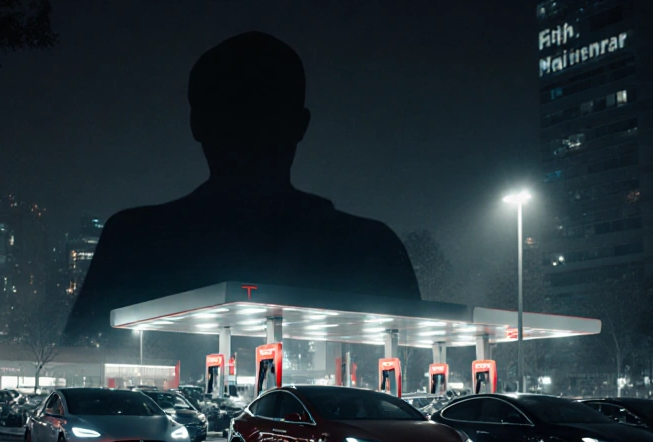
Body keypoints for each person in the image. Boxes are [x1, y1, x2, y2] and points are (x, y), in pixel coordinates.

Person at [67, 32, 420, 344]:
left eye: (260, 112)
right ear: (300, 125)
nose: (249, 133)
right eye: (239, 112)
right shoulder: (373, 248)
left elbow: (76, 351)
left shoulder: (134, 240)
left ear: (197, 124)